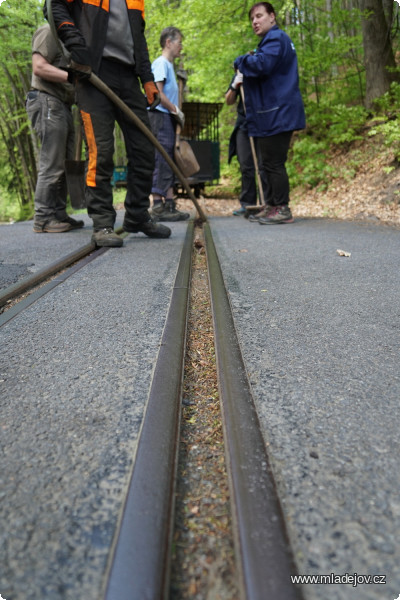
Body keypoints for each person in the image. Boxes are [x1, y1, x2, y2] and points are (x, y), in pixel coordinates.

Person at [45, 0, 171, 247]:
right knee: (100, 150)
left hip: (128, 76)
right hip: (93, 73)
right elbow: (53, 5)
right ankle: (102, 222)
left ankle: (137, 215)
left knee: (145, 148)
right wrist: (76, 45)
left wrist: (147, 78)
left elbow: (139, 37)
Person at [234, 2, 305, 224]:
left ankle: (282, 208)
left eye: (259, 16)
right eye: (252, 19)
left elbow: (262, 65)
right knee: (267, 162)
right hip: (272, 113)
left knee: (274, 162)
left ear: (272, 17)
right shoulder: (270, 42)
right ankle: (273, 205)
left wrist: (240, 61)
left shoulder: (276, 39)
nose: (255, 21)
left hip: (279, 113)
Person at [26, 24, 84, 234]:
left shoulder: (67, 39)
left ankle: (58, 213)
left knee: (65, 163)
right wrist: (72, 77)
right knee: (52, 161)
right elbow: (39, 67)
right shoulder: (48, 30)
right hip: (47, 100)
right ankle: (42, 217)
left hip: (64, 104)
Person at [148, 27, 190, 222]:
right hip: (159, 116)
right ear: (168, 42)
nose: (181, 46)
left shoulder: (169, 66)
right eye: (179, 42)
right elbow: (157, 93)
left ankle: (170, 203)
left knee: (170, 159)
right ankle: (157, 205)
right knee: (161, 157)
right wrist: (175, 109)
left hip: (167, 117)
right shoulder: (161, 64)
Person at [225, 70, 270, 216]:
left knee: (263, 165)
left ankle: (267, 202)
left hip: (261, 123)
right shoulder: (240, 75)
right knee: (246, 165)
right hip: (243, 125)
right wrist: (235, 85)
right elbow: (229, 100)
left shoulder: (262, 74)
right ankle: (247, 203)